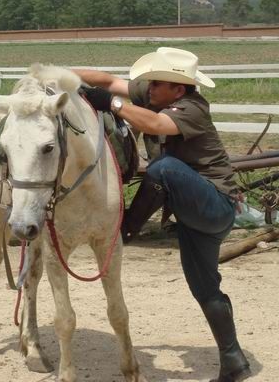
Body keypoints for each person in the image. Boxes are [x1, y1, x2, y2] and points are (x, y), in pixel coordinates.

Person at [74, 47, 251, 382]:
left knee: (163, 168)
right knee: (205, 289)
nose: (149, 87)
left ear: (178, 89)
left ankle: (125, 230)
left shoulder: (192, 108)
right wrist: (63, 74)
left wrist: (111, 105)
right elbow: (110, 81)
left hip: (214, 204)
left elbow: (153, 122)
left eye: (156, 83)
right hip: (193, 214)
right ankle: (234, 361)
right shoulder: (157, 94)